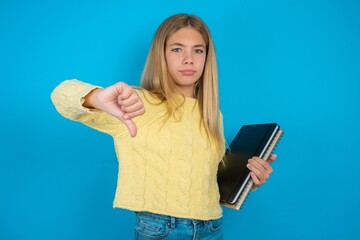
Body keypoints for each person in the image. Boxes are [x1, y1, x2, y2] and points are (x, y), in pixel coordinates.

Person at [51, 13, 276, 240]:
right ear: (162, 55)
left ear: (207, 57)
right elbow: (61, 94)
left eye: (198, 50)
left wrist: (250, 179)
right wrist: (97, 97)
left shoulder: (212, 114)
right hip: (162, 229)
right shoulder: (137, 102)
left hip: (212, 228)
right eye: (177, 49)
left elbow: (201, 180)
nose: (189, 59)